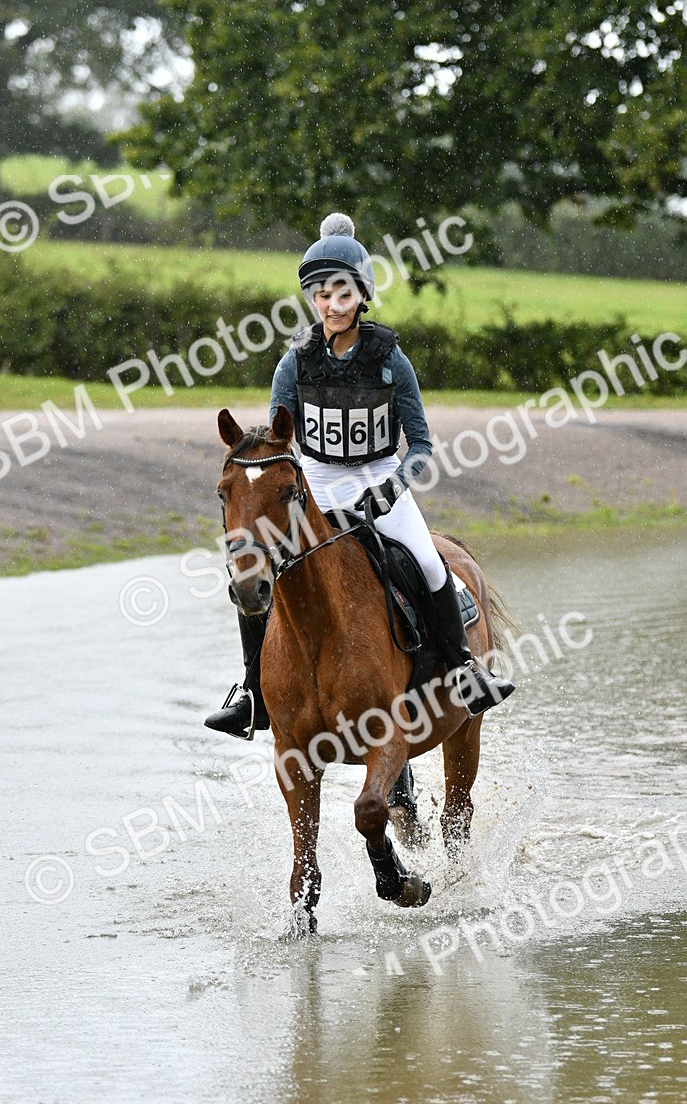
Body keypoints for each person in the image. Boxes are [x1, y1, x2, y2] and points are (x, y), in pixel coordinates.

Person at [205, 213, 514, 739]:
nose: (332, 304)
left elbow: (420, 444)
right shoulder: (294, 364)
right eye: (321, 293)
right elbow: (281, 444)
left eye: (342, 293)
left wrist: (391, 489)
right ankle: (253, 692)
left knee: (428, 564)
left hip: (382, 481)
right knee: (256, 573)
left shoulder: (391, 359)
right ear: (312, 300)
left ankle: (463, 671)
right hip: (316, 484)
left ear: (361, 295)